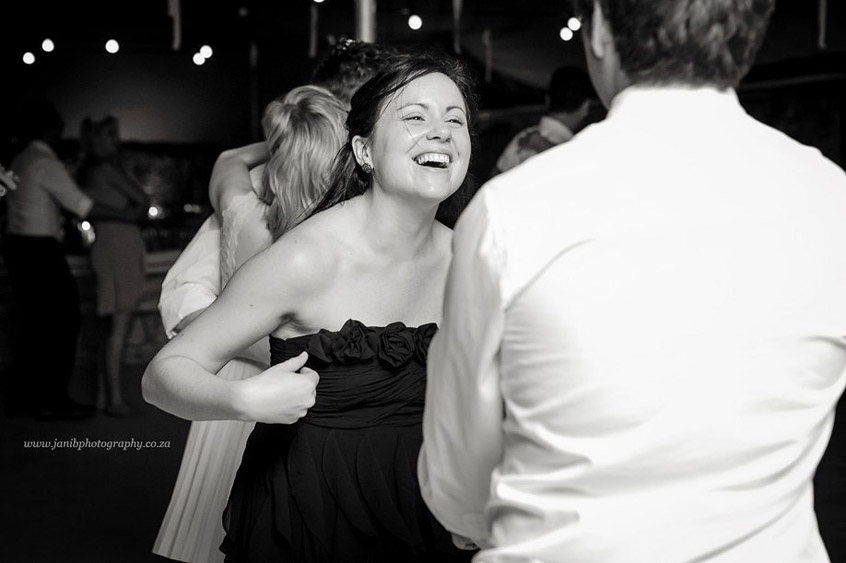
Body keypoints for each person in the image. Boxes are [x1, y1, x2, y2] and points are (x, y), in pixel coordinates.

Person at [419, 0, 846, 561]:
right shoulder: (829, 198)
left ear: (599, 28)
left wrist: (478, 519)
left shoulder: (512, 212)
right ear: (749, 33)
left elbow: (458, 479)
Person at [143, 51, 478, 562]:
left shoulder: (469, 260)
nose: (440, 132)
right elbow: (163, 374)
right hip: (313, 512)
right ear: (364, 150)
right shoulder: (305, 259)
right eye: (416, 116)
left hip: (428, 508)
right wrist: (242, 399)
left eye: (456, 120)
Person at [153, 85, 348, 563]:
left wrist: (284, 134)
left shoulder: (239, 207)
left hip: (229, 380)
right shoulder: (336, 236)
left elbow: (228, 158)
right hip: (293, 393)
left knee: (220, 531)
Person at [2, 100, 143, 419]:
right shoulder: (44, 162)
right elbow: (83, 206)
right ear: (50, 130)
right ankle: (52, 399)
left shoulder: (20, 159)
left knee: (33, 324)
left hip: (18, 244)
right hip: (38, 248)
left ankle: (27, 398)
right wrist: (127, 215)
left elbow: (9, 193)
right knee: (62, 322)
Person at [77, 115, 151, 417]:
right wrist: (131, 213)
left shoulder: (89, 170)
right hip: (117, 249)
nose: (115, 140)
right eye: (109, 134)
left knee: (110, 327)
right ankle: (115, 400)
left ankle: (104, 397)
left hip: (109, 247)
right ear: (96, 138)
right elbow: (143, 200)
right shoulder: (106, 168)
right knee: (119, 326)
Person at [493, 65, 596, 174]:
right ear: (586, 106)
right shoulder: (575, 152)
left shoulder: (522, 137)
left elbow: (494, 175)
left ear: (547, 99)